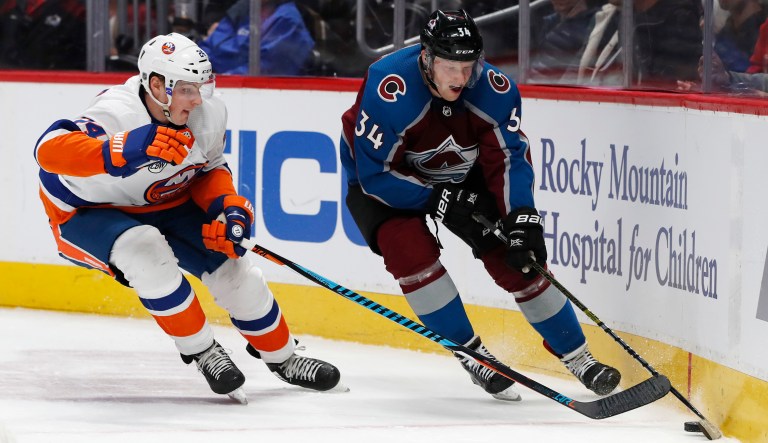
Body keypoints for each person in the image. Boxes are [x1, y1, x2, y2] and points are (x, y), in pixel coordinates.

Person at [33, 32, 341, 403]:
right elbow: (47, 151)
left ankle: (283, 357)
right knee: (144, 252)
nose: (197, 100)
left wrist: (226, 206)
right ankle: (203, 350)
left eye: (201, 88)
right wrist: (122, 148)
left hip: (165, 200)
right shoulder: (118, 110)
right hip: (87, 210)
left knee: (234, 270)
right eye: (186, 90)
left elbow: (208, 168)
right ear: (157, 85)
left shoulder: (208, 113)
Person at [339, 9, 621, 401]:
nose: (461, 78)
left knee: (517, 256)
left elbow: (507, 160)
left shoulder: (495, 90)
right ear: (426, 58)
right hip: (386, 183)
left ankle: (578, 356)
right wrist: (436, 199)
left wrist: (522, 217)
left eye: (468, 66)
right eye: (450, 67)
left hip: (463, 174)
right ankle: (471, 354)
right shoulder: (390, 87)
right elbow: (375, 174)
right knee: (409, 252)